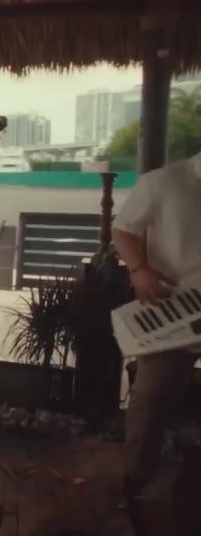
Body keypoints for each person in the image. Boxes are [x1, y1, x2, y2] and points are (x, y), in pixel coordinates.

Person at [112, 151, 201, 500]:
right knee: (151, 397)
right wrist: (139, 270)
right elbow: (124, 230)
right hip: (173, 310)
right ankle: (136, 482)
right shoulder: (162, 181)